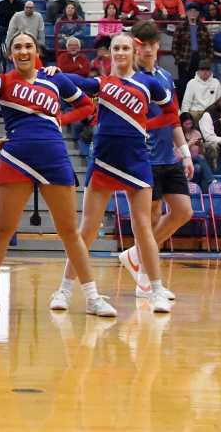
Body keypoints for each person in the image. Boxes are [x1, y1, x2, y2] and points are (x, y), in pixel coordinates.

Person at [0, 33, 116, 317]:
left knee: (69, 231)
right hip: (16, 158)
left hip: (54, 158)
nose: (23, 51)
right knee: (2, 230)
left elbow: (86, 105)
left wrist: (60, 119)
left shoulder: (54, 79)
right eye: (17, 47)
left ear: (36, 51)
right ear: (10, 54)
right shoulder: (3, 81)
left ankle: (92, 298)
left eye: (28, 46)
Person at [49, 31, 177, 313]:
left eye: (124, 48)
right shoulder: (102, 83)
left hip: (137, 160)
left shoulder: (149, 84)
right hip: (104, 159)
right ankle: (64, 290)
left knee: (143, 226)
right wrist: (55, 73)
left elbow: (171, 114)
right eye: (115, 48)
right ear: (110, 54)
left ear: (134, 52)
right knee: (87, 229)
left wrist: (146, 127)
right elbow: (75, 83)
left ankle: (155, 290)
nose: (119, 53)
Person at [122, 21, 194, 302]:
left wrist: (185, 152)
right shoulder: (131, 80)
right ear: (136, 48)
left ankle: (137, 255)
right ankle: (146, 280)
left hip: (169, 157)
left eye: (153, 44)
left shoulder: (165, 77)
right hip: (144, 159)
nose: (149, 49)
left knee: (183, 211)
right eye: (143, 45)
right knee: (148, 218)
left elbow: (174, 119)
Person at [173, 7, 214, 93]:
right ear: (186, 13)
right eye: (190, 11)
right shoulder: (181, 27)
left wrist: (208, 60)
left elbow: (210, 45)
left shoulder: (203, 27)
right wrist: (179, 60)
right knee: (184, 85)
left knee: (200, 84)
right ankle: (184, 105)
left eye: (195, 11)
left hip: (200, 60)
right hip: (184, 60)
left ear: (198, 13)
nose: (192, 13)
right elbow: (175, 46)